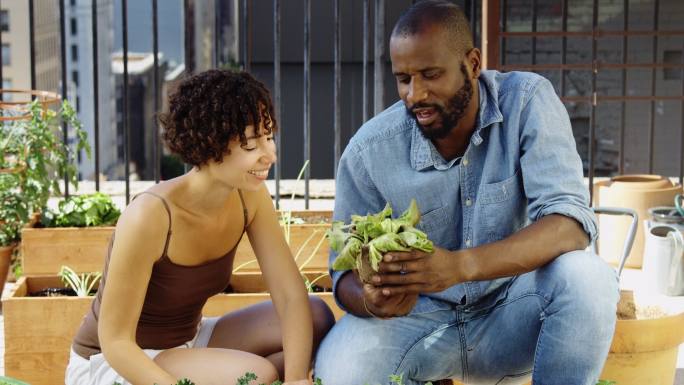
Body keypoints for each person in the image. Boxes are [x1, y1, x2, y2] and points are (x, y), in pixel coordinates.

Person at [314, 1, 619, 384]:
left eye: (431, 74)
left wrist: (459, 266)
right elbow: (342, 274)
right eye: (404, 78)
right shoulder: (368, 152)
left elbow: (569, 224)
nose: (415, 94)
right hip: (417, 322)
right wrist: (372, 299)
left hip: (512, 310)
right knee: (341, 371)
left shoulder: (526, 102)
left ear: (473, 64)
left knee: (588, 279)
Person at [66, 69, 335, 385]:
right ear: (210, 144)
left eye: (269, 136)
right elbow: (116, 343)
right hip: (117, 363)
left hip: (190, 341)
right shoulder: (151, 216)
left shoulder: (250, 196)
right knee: (258, 375)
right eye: (251, 145)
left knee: (315, 318)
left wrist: (296, 379)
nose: (270, 155)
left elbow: (290, 296)